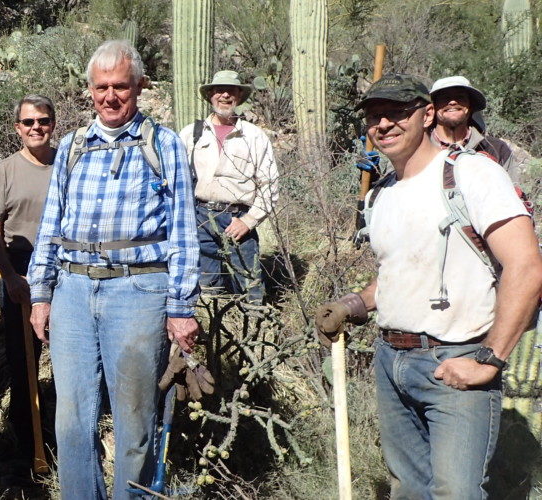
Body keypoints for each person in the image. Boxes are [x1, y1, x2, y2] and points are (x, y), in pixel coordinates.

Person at [317, 74, 542, 498]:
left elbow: (526, 267)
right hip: (390, 361)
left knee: (456, 492)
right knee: (408, 489)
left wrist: (489, 360)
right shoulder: (380, 194)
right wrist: (352, 305)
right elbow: (394, 275)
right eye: (373, 116)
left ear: (427, 114)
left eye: (397, 113)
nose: (383, 124)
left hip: (455, 361)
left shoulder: (471, 175)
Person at [26, 40, 200, 499]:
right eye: (101, 87)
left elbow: (183, 229)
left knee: (134, 419)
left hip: (139, 290)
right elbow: (51, 224)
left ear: (138, 86)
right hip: (74, 291)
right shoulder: (72, 146)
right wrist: (41, 294)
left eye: (120, 86)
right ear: (89, 90)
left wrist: (181, 305)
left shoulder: (163, 144)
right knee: (72, 419)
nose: (110, 96)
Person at [0, 94, 56, 486]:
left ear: (53, 123)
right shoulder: (3, 171)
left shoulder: (67, 165)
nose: (36, 127)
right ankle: (30, 452)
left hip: (68, 274)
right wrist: (9, 277)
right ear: (17, 128)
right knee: (25, 366)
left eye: (42, 120)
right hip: (20, 276)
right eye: (28, 122)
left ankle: (68, 441)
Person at [179, 70, 279, 303]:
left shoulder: (254, 136)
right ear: (211, 95)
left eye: (231, 90)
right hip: (199, 218)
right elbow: (176, 180)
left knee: (250, 285)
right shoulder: (190, 134)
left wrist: (249, 220)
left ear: (239, 96)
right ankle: (214, 332)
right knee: (206, 287)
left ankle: (257, 329)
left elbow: (269, 183)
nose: (224, 95)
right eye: (219, 90)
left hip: (237, 219)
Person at [428, 75, 532, 182]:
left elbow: (513, 193)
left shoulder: (496, 149)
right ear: (432, 108)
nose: (453, 102)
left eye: (460, 97)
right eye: (444, 98)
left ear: (471, 106)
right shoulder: (418, 147)